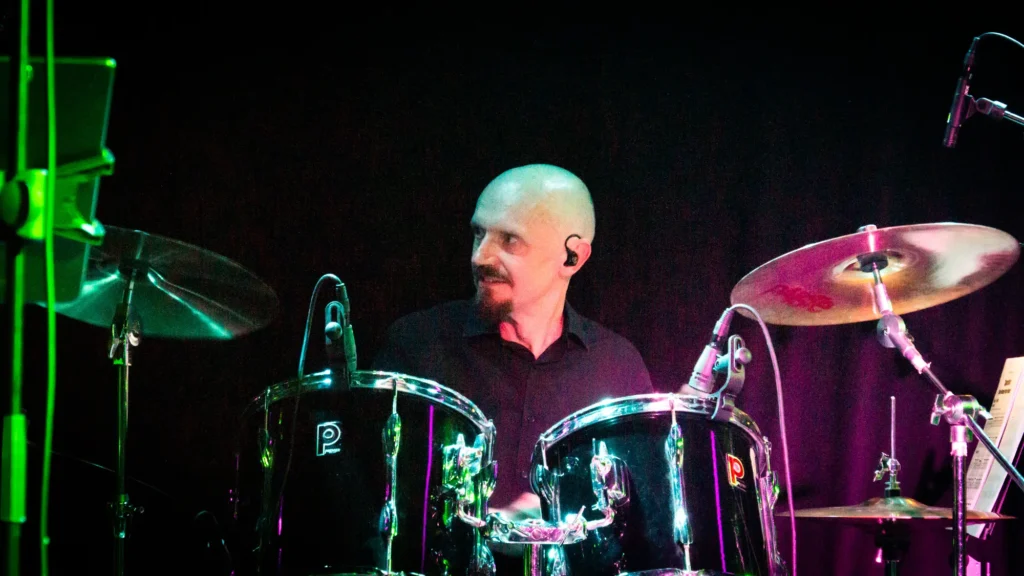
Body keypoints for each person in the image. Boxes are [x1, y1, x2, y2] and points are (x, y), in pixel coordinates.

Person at [371, 163, 654, 567]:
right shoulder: (417, 347)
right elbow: (376, 508)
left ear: (572, 256)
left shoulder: (618, 367)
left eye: (510, 241)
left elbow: (637, 534)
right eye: (478, 234)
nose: (481, 256)